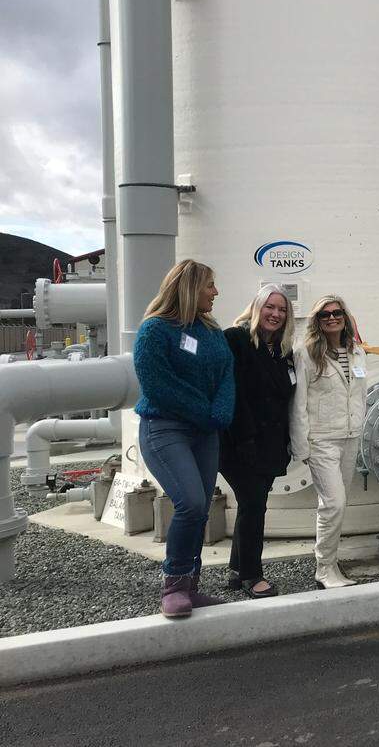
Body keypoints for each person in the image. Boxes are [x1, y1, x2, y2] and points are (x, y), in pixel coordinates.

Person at [133, 259, 235, 618]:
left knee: (201, 509)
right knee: (190, 503)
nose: (216, 292)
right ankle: (173, 585)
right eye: (210, 285)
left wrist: (220, 412)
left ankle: (191, 587)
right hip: (165, 429)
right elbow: (157, 385)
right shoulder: (155, 330)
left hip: (205, 432)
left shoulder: (209, 330)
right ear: (191, 287)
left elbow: (226, 372)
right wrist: (204, 412)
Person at [219, 284, 296, 598]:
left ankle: (238, 569)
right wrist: (245, 440)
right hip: (240, 443)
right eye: (270, 307)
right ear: (256, 307)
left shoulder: (280, 351)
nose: (275, 314)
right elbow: (232, 393)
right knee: (253, 505)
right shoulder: (236, 339)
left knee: (251, 504)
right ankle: (253, 575)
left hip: (268, 446)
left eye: (281, 310)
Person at [290, 295, 368, 588]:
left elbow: (359, 394)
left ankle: (332, 563)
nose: (332, 318)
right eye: (325, 315)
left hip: (350, 436)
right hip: (322, 439)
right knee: (333, 503)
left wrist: (360, 425)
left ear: (345, 318)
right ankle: (324, 568)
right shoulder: (306, 353)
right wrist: (302, 446)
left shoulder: (357, 352)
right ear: (317, 321)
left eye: (337, 313)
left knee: (340, 502)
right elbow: (297, 403)